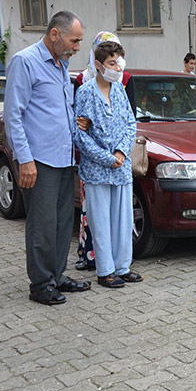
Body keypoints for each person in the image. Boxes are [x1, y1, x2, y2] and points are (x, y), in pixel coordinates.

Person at [3, 10, 91, 305]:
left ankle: (57, 275)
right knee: (41, 223)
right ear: (55, 34)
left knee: (63, 222)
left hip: (64, 157)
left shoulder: (61, 64)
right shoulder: (25, 62)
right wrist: (25, 159)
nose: (77, 47)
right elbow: (13, 115)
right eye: (74, 40)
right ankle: (40, 283)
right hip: (38, 160)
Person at [73, 40, 143, 288]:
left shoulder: (120, 90)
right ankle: (105, 271)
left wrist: (121, 152)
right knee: (100, 221)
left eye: (119, 63)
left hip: (121, 168)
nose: (116, 67)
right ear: (99, 65)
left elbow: (130, 124)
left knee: (123, 220)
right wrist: (107, 158)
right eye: (112, 63)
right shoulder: (85, 92)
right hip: (97, 170)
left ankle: (123, 267)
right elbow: (80, 135)